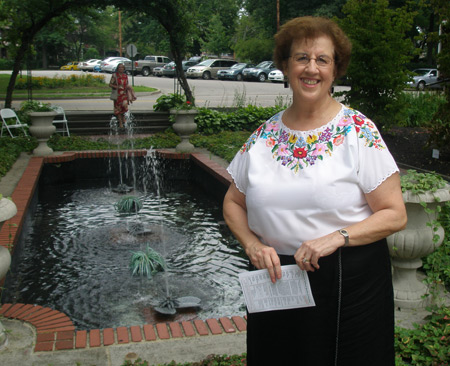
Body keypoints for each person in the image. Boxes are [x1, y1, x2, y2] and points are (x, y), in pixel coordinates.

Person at [223, 16, 407, 366]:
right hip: (276, 284)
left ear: (335, 70)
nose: (312, 68)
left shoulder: (358, 131)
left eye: (322, 59)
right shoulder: (263, 136)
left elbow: (395, 214)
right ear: (285, 66)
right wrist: (252, 244)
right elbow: (233, 201)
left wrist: (337, 237)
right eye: (301, 58)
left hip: (346, 286)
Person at [109, 63, 136, 128]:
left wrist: (131, 92)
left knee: (124, 107)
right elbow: (110, 84)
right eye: (119, 67)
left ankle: (123, 119)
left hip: (124, 94)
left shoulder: (125, 76)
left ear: (124, 69)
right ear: (117, 68)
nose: (121, 69)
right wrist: (116, 86)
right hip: (117, 95)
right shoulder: (114, 75)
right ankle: (120, 122)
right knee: (118, 109)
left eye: (122, 67)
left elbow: (126, 84)